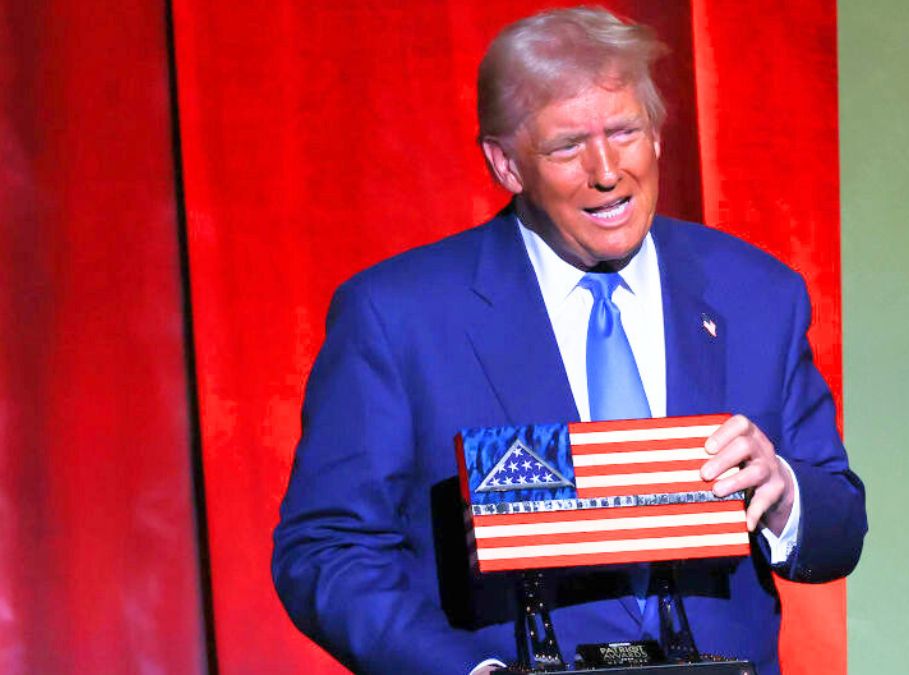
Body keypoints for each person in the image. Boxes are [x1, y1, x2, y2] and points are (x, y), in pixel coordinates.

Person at [272, 7, 866, 675]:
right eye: (566, 147)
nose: (607, 171)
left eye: (625, 132)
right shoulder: (398, 315)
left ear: (658, 136)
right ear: (505, 163)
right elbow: (326, 550)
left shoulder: (757, 293)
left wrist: (783, 489)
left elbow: (840, 524)